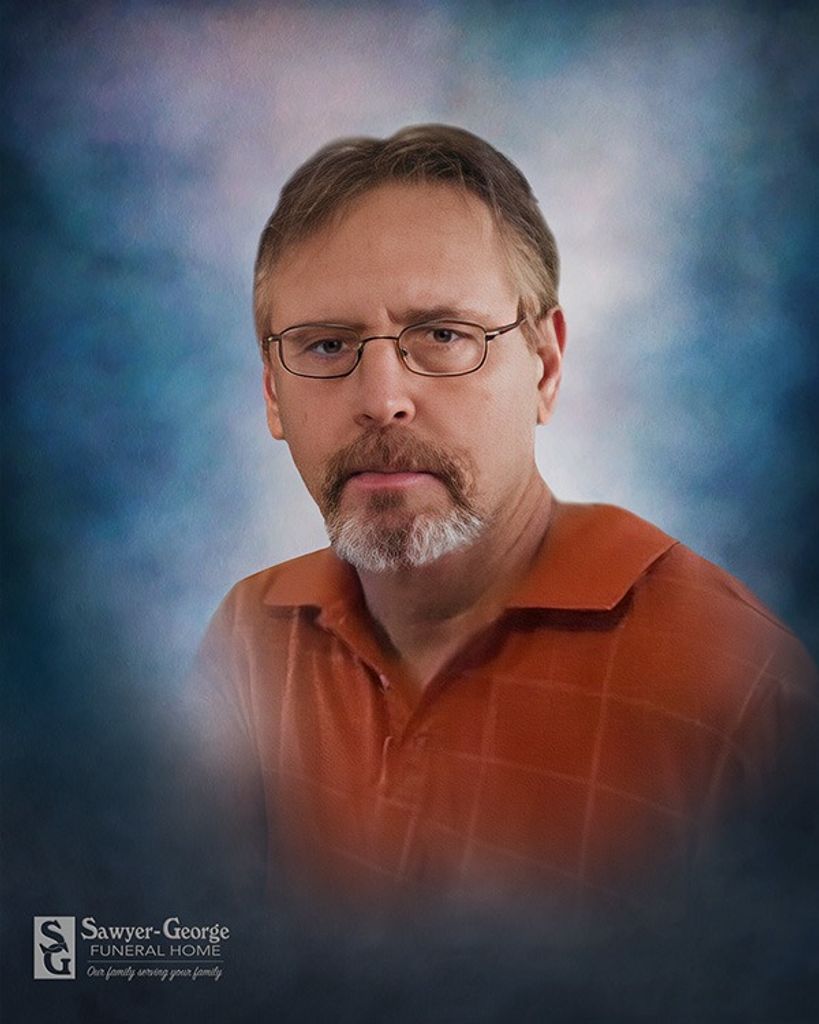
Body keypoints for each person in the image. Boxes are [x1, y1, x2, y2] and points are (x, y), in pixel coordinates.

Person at [187, 124, 817, 918]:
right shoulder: (251, 636)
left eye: (443, 335)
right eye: (325, 345)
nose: (380, 399)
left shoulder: (737, 682)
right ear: (272, 395)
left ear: (544, 367)